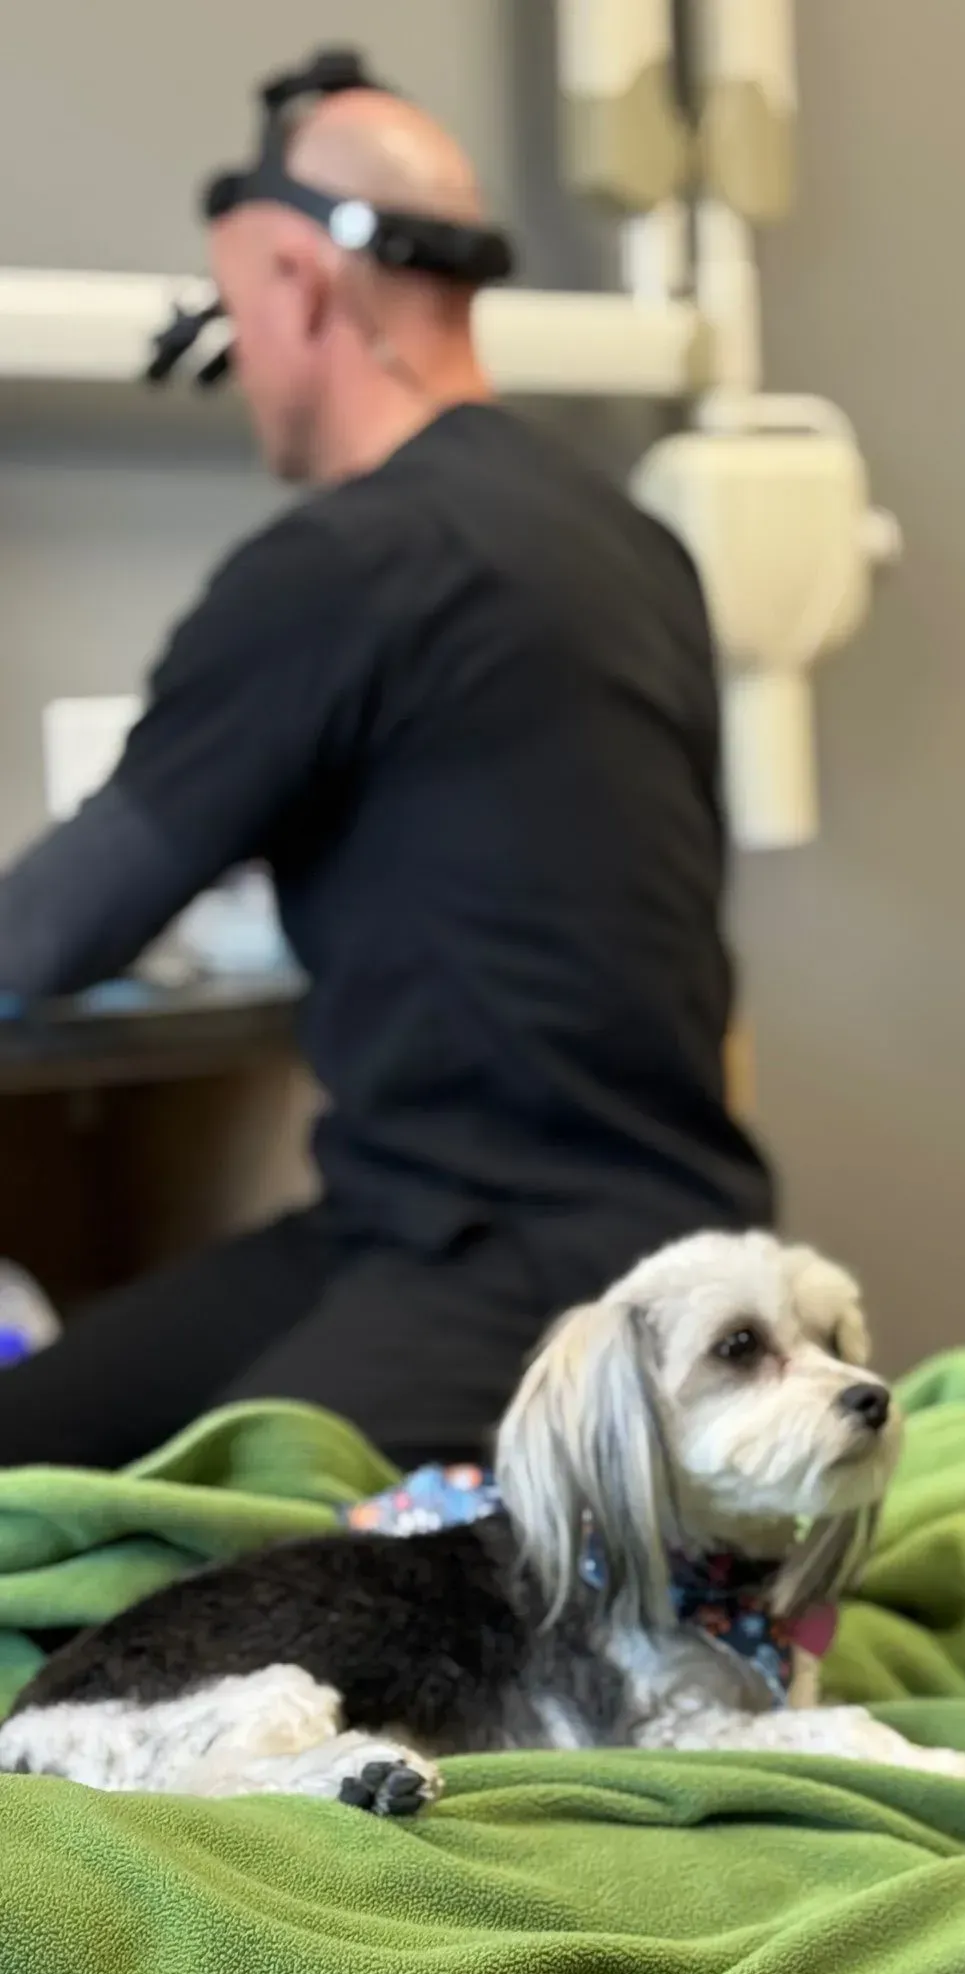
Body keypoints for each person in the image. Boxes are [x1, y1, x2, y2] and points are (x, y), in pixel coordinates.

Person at [0, 82, 773, 1472]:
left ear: (298, 283)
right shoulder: (633, 545)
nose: (239, 362)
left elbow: (51, 932)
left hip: (514, 1261)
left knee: (195, 1575)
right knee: (36, 1443)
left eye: (237, 313)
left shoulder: (340, 564)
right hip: (557, 1221)